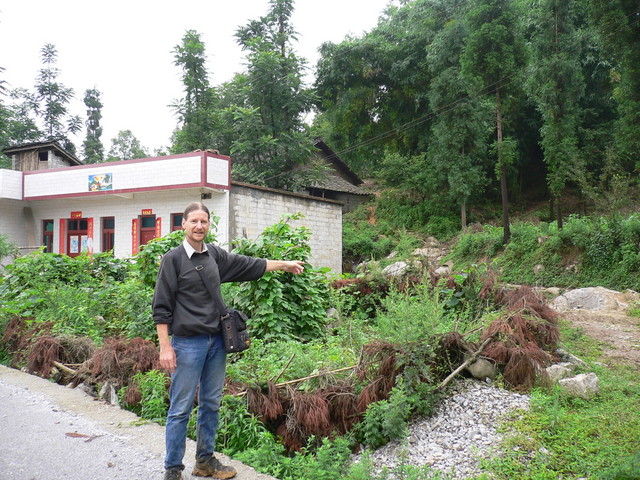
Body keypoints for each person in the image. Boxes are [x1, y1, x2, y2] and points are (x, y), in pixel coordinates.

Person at [152, 202, 304, 480]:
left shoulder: (215, 256)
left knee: (211, 403)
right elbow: (162, 306)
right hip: (187, 343)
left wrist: (284, 265)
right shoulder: (172, 259)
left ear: (209, 225)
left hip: (216, 342)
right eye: (194, 221)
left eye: (204, 221)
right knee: (180, 407)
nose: (199, 226)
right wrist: (165, 347)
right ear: (183, 224)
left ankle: (205, 461)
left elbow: (249, 264)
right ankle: (173, 468)